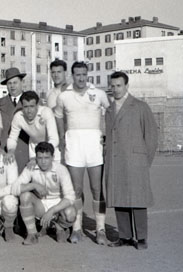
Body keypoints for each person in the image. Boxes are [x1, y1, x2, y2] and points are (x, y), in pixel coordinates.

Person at [54, 61, 110, 245]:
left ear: (88, 75)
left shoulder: (99, 94)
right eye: (77, 74)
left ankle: (100, 230)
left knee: (96, 189)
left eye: (84, 74)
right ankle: (77, 228)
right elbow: (58, 117)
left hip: (94, 145)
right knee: (76, 189)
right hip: (74, 145)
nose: (81, 78)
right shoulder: (64, 96)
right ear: (72, 76)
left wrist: (107, 135)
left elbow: (111, 113)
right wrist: (61, 137)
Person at [105, 72, 158, 250]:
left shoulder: (140, 106)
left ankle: (141, 238)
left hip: (135, 162)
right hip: (116, 161)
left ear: (127, 86)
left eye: (119, 85)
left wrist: (144, 161)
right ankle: (125, 236)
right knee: (119, 197)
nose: (115, 89)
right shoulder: (109, 109)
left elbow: (151, 136)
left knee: (138, 199)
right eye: (113, 86)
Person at [11, 142, 76, 245]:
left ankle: (59, 227)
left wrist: (52, 210)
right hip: (40, 204)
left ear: (53, 157)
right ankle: (32, 234)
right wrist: (33, 185)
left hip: (58, 206)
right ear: (36, 158)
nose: (43, 161)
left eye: (47, 158)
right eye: (40, 158)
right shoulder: (31, 168)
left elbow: (70, 197)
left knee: (71, 214)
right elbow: (14, 188)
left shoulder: (61, 170)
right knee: (25, 196)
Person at [7, 91, 61, 164]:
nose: (29, 111)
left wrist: (39, 156)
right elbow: (12, 138)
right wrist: (11, 151)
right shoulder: (18, 116)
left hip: (51, 149)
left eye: (32, 106)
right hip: (34, 150)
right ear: (22, 106)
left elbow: (54, 139)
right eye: (26, 107)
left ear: (37, 105)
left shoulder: (46, 112)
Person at [0, 67, 28, 173]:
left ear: (21, 82)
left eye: (15, 82)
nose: (12, 86)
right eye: (9, 83)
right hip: (4, 151)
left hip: (25, 151)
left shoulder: (30, 101)